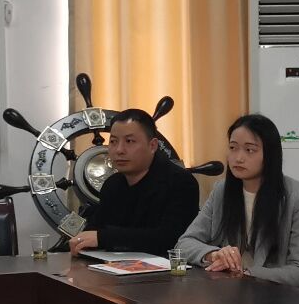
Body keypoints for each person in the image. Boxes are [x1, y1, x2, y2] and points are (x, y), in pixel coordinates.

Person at [175, 114, 299, 292]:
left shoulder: (298, 196)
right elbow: (185, 243)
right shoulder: (221, 191)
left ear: (270, 155)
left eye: (249, 150)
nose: (238, 158)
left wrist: (245, 273)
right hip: (246, 294)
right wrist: (213, 254)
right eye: (233, 148)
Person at [66, 108, 202, 256]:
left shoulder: (181, 182)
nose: (119, 150)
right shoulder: (112, 184)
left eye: (129, 141)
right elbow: (96, 228)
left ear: (152, 146)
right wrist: (82, 241)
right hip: (114, 266)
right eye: (113, 141)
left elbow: (170, 239)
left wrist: (104, 238)